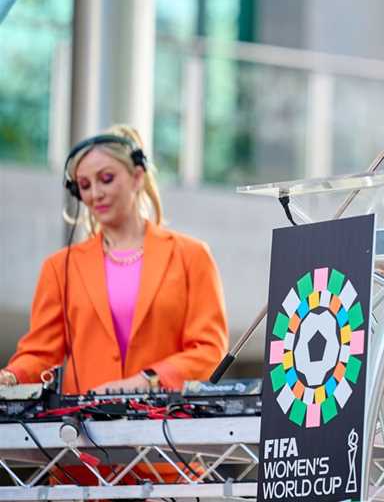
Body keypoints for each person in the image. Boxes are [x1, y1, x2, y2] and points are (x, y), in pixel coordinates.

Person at [0, 125, 228, 394]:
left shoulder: (191, 256)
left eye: (106, 178)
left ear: (137, 176)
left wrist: (148, 380)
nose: (95, 193)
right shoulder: (59, 267)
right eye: (84, 185)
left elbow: (209, 350)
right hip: (82, 429)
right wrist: (11, 377)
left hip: (166, 423)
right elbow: (40, 354)